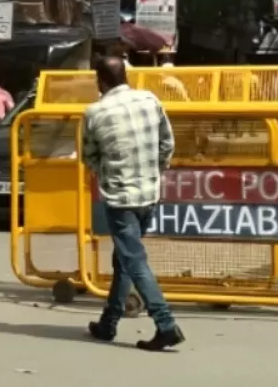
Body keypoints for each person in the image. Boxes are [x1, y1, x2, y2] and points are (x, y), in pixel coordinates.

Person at [82, 54, 184, 351]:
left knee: (134, 260)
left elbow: (89, 156)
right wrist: (153, 171)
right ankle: (108, 322)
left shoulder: (95, 112)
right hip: (149, 194)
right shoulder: (150, 100)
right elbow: (168, 143)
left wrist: (107, 174)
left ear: (100, 81)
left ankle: (165, 324)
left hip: (120, 197)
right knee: (125, 258)